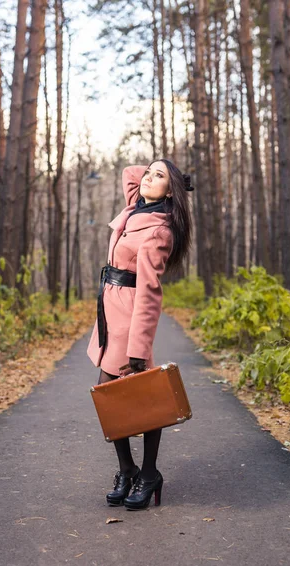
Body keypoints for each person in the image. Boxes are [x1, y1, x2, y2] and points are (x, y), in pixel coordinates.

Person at [87, 159, 193, 510]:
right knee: (112, 392)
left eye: (158, 176)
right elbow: (130, 173)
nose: (147, 178)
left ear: (171, 190)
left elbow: (150, 292)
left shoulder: (160, 229)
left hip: (130, 314)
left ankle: (146, 473)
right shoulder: (136, 208)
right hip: (110, 308)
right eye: (149, 172)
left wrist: (139, 346)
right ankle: (130, 469)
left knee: (133, 392)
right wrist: (160, 169)